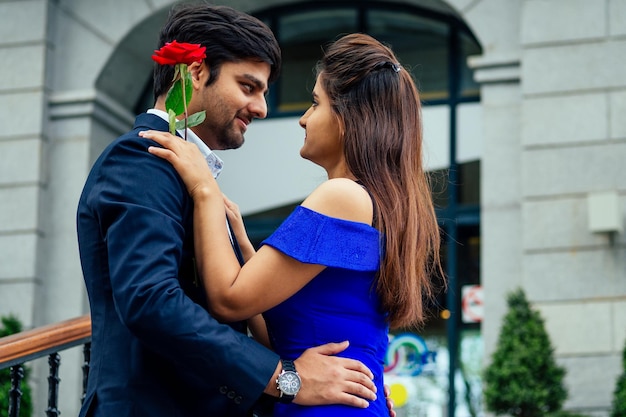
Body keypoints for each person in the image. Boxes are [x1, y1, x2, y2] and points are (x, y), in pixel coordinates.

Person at [76, 5, 383, 417]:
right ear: (196, 73)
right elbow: (151, 300)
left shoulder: (193, 176)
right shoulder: (142, 157)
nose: (261, 108)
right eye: (248, 86)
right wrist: (286, 378)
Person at [142, 33, 443, 416]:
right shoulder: (377, 203)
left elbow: (227, 300)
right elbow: (284, 334)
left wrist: (203, 188)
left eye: (316, 103)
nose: (303, 118)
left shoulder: (342, 196)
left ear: (350, 118)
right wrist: (246, 250)